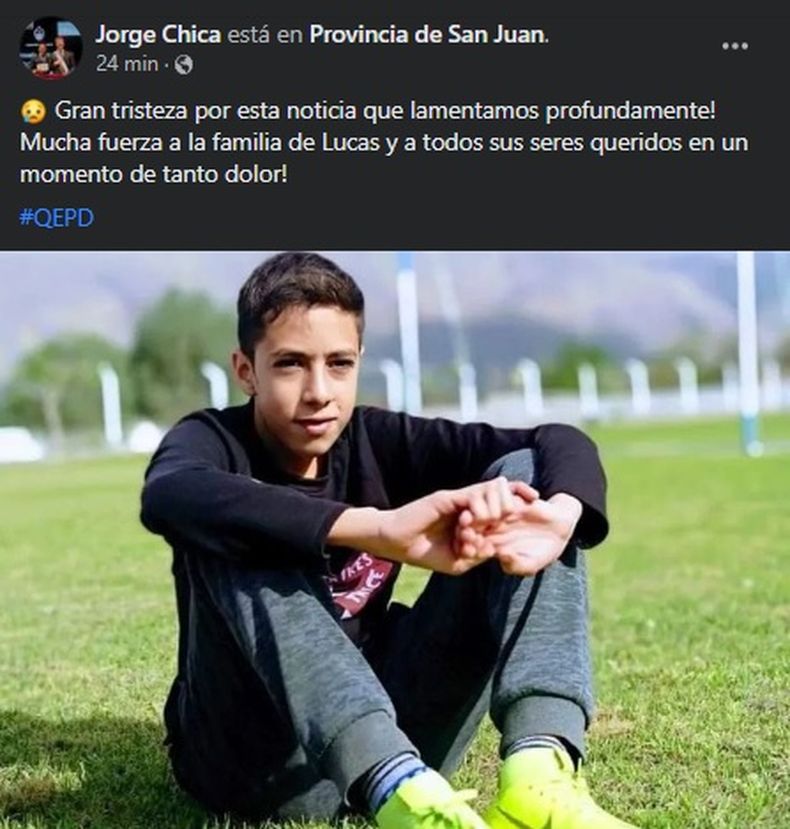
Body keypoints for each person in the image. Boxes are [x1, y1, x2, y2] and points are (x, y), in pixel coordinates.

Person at [140, 251, 639, 829]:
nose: (319, 391)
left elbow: (557, 442)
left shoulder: (377, 438)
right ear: (246, 370)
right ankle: (398, 790)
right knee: (241, 525)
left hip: (400, 738)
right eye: (290, 364)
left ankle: (538, 776)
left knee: (523, 480)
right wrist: (379, 529)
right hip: (255, 765)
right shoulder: (212, 442)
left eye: (339, 364)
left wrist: (559, 514)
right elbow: (171, 495)